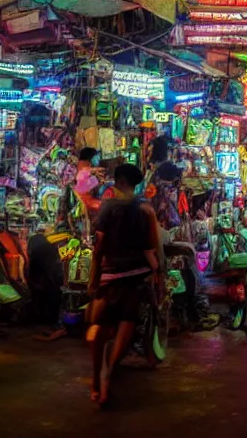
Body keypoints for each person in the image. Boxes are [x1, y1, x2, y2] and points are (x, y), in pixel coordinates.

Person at [86, 164, 160, 406]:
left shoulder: (108, 208)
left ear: (119, 181)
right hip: (137, 278)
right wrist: (159, 277)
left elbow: (99, 249)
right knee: (125, 327)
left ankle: (97, 379)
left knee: (99, 328)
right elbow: (151, 251)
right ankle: (109, 373)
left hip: (111, 277)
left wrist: (93, 278)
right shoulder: (146, 211)